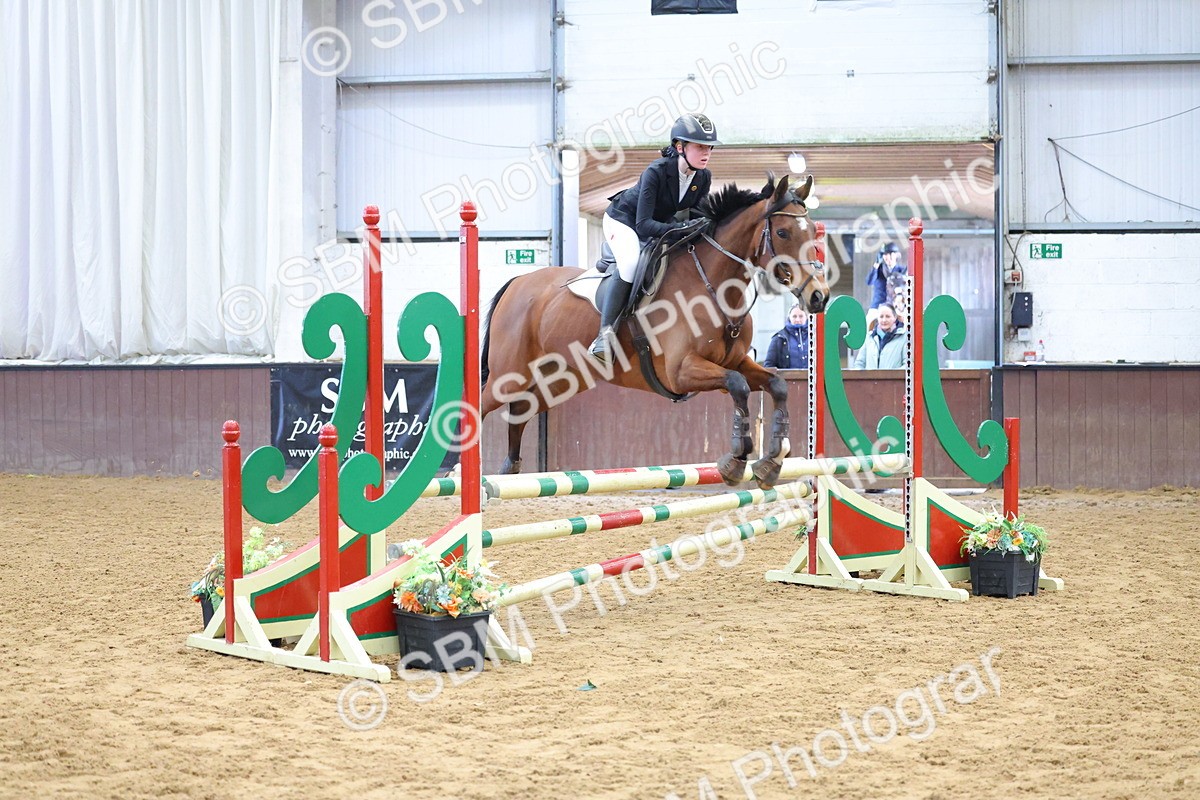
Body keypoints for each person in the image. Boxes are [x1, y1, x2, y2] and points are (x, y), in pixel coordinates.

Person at [588, 113, 720, 364]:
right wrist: (682, 228)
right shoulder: (656, 172)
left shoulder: (703, 177)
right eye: (700, 146)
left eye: (709, 147)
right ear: (680, 147)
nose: (707, 152)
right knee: (630, 264)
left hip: (658, 222)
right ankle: (604, 336)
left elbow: (696, 216)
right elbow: (643, 224)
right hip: (624, 221)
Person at [864, 242, 907, 330]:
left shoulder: (902, 270)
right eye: (886, 255)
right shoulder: (878, 270)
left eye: (891, 254)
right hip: (878, 305)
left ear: (896, 255)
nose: (888, 257)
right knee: (867, 323)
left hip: (896, 306)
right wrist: (876, 265)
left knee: (907, 323)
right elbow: (869, 281)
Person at [853, 303, 907, 369]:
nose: (884, 320)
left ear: (895, 317)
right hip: (870, 379)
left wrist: (891, 377)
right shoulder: (869, 337)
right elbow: (859, 363)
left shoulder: (904, 337)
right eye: (881, 316)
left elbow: (907, 365)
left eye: (888, 316)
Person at [763, 304, 809, 370]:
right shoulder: (779, 338)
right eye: (794, 316)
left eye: (801, 316)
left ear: (806, 317)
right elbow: (769, 365)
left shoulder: (814, 336)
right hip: (786, 379)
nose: (797, 319)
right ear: (789, 317)